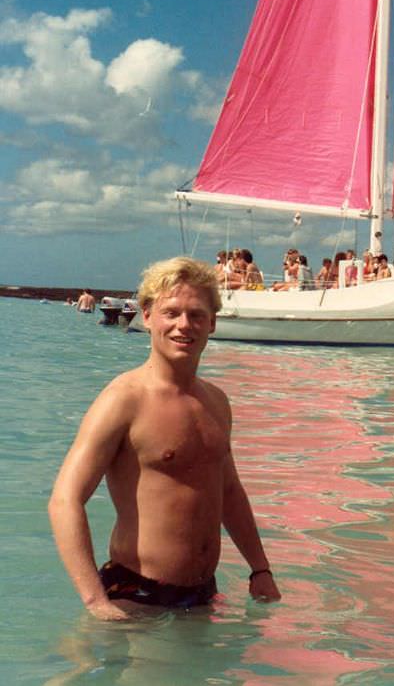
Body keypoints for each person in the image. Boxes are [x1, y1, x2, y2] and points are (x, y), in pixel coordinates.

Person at [48, 256, 280, 619]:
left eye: (196, 314)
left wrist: (260, 569)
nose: (183, 325)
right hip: (135, 595)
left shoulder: (217, 401)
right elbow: (65, 499)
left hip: (203, 595)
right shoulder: (124, 399)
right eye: (171, 313)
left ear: (213, 322)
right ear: (147, 315)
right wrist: (95, 600)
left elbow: (229, 491)